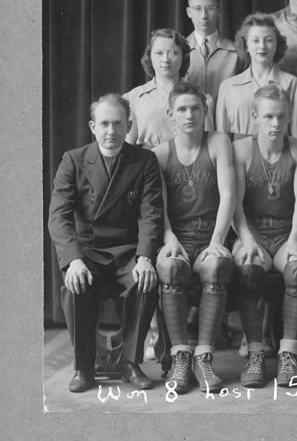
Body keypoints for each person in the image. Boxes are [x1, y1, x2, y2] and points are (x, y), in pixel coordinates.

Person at [48, 94, 163, 392]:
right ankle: (83, 367)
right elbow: (58, 217)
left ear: (128, 126)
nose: (111, 131)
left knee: (144, 281)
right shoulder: (73, 160)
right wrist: (73, 259)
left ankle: (130, 362)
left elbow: (150, 215)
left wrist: (145, 257)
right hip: (88, 254)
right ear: (92, 127)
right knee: (74, 287)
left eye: (117, 124)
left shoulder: (144, 161)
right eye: (104, 124)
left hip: (127, 253)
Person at [153, 81, 236, 394]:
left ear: (205, 111)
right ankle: (180, 357)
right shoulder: (160, 154)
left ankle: (204, 356)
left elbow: (228, 194)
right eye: (182, 109)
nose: (189, 115)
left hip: (210, 234)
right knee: (170, 268)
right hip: (177, 237)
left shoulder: (218, 143)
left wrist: (218, 240)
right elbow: (156, 208)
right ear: (171, 114)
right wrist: (168, 238)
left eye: (195, 108)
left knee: (217, 267)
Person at [232, 85, 297, 388]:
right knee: (247, 268)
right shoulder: (240, 149)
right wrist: (247, 240)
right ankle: (255, 351)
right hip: (251, 232)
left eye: (281, 117)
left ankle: (289, 353)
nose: (275, 124)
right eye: (268, 117)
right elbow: (234, 202)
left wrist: (295, 239)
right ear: (255, 117)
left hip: (285, 232)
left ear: (289, 116)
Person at [216, 13, 297, 139]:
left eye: (268, 40)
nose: (262, 46)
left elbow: (296, 138)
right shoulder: (228, 87)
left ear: (277, 44)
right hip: (239, 155)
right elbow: (221, 138)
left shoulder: (292, 84)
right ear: (246, 45)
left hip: (278, 153)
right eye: (255, 40)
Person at [125, 28, 215, 149]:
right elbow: (126, 147)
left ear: (183, 56)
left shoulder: (202, 99)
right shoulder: (133, 98)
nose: (166, 59)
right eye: (159, 53)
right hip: (148, 164)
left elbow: (210, 146)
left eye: (174, 53)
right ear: (150, 56)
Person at [183, 0, 241, 105]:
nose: (203, 15)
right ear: (189, 12)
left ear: (219, 11)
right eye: (197, 9)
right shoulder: (179, 52)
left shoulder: (237, 53)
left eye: (210, 8)